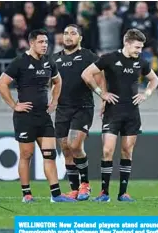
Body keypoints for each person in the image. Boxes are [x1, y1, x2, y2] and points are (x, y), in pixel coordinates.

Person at [0, 29, 76, 203]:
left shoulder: (49, 62)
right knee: (26, 155)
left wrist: (54, 100)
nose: (45, 45)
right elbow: (1, 84)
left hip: (44, 116)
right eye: (41, 42)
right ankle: (27, 195)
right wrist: (14, 105)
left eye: (46, 42)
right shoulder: (20, 62)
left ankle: (56, 195)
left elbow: (58, 81)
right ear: (31, 43)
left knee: (50, 155)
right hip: (25, 116)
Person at [81, 29, 158, 202]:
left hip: (132, 114)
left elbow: (154, 80)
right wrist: (102, 93)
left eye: (141, 48)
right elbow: (86, 74)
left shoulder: (141, 62)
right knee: (107, 150)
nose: (139, 51)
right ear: (127, 43)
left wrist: (146, 94)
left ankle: (123, 193)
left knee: (127, 151)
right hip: (112, 112)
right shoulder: (109, 58)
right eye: (137, 47)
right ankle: (104, 193)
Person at [52, 24, 103, 201]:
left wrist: (104, 98)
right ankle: (74, 189)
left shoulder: (88, 56)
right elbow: (49, 84)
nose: (68, 36)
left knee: (75, 146)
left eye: (73, 33)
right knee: (66, 149)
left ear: (80, 38)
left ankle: (86, 185)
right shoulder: (54, 59)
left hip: (83, 107)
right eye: (66, 33)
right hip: (61, 109)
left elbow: (101, 77)